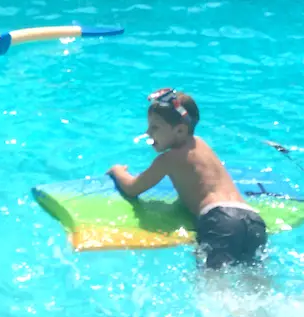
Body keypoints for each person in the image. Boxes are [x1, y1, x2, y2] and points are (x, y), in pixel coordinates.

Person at [106, 88, 268, 270]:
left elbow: (132, 188)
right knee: (256, 282)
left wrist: (117, 171)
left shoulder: (168, 159)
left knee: (212, 288)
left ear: (180, 131)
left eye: (155, 127)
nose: (148, 132)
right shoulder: (202, 144)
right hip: (253, 220)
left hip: (220, 220)